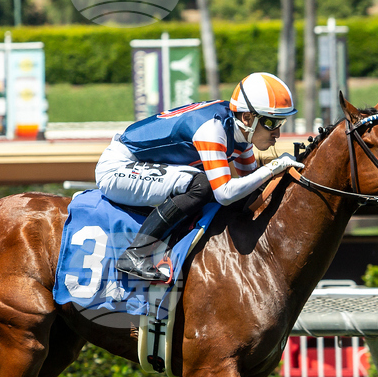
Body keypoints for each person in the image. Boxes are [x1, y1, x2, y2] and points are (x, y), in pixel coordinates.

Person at [96, 71, 299, 281]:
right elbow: (225, 193)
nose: (277, 133)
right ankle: (136, 253)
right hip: (118, 167)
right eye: (271, 123)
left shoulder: (242, 133)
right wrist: (273, 166)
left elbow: (253, 186)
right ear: (247, 118)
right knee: (202, 185)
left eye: (281, 123)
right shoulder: (212, 129)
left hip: (141, 164)